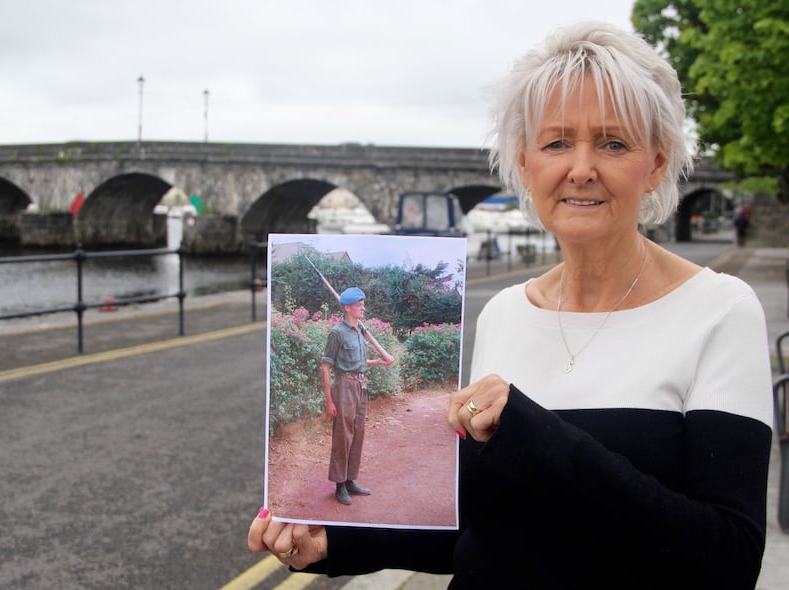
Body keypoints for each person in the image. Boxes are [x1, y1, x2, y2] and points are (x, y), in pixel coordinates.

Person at [249, 21, 773, 589]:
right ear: (525, 163)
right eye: (556, 143)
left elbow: (729, 560)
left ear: (658, 163)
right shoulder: (505, 312)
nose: (580, 167)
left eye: (613, 142)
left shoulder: (719, 311)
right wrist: (337, 541)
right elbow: (489, 527)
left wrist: (531, 432)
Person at [320, 286, 393, 505]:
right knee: (343, 437)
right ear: (348, 307)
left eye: (363, 304)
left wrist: (379, 361)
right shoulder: (337, 333)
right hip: (344, 388)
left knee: (358, 434)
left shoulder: (359, 332)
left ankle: (350, 480)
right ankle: (339, 485)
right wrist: (329, 401)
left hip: (361, 387)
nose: (363, 308)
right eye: (359, 305)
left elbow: (357, 363)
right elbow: (325, 368)